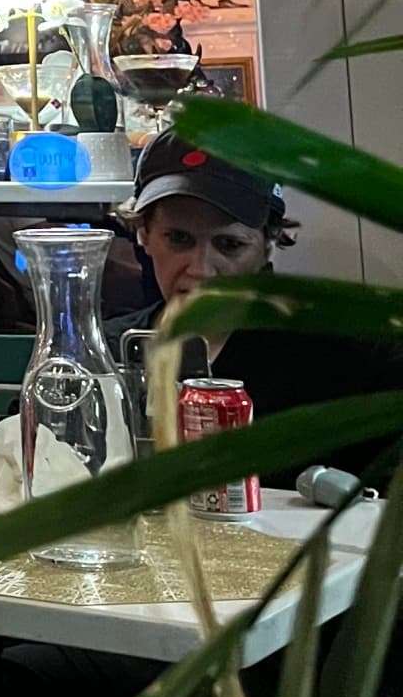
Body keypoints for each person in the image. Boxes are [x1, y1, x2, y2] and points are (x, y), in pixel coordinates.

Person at [116, 126, 403, 482]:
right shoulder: (109, 353)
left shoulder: (348, 357)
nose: (201, 268)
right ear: (144, 234)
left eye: (229, 244)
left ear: (269, 243)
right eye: (178, 239)